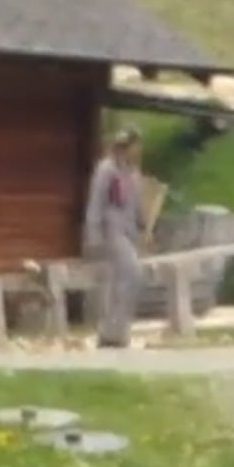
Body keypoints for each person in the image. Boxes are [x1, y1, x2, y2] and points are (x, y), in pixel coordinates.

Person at [82, 126, 145, 349]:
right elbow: (96, 203)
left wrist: (143, 224)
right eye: (134, 146)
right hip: (111, 230)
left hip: (128, 231)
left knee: (124, 280)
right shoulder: (106, 169)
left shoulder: (133, 172)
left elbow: (136, 204)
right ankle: (110, 330)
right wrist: (93, 236)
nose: (137, 151)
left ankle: (118, 331)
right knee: (131, 271)